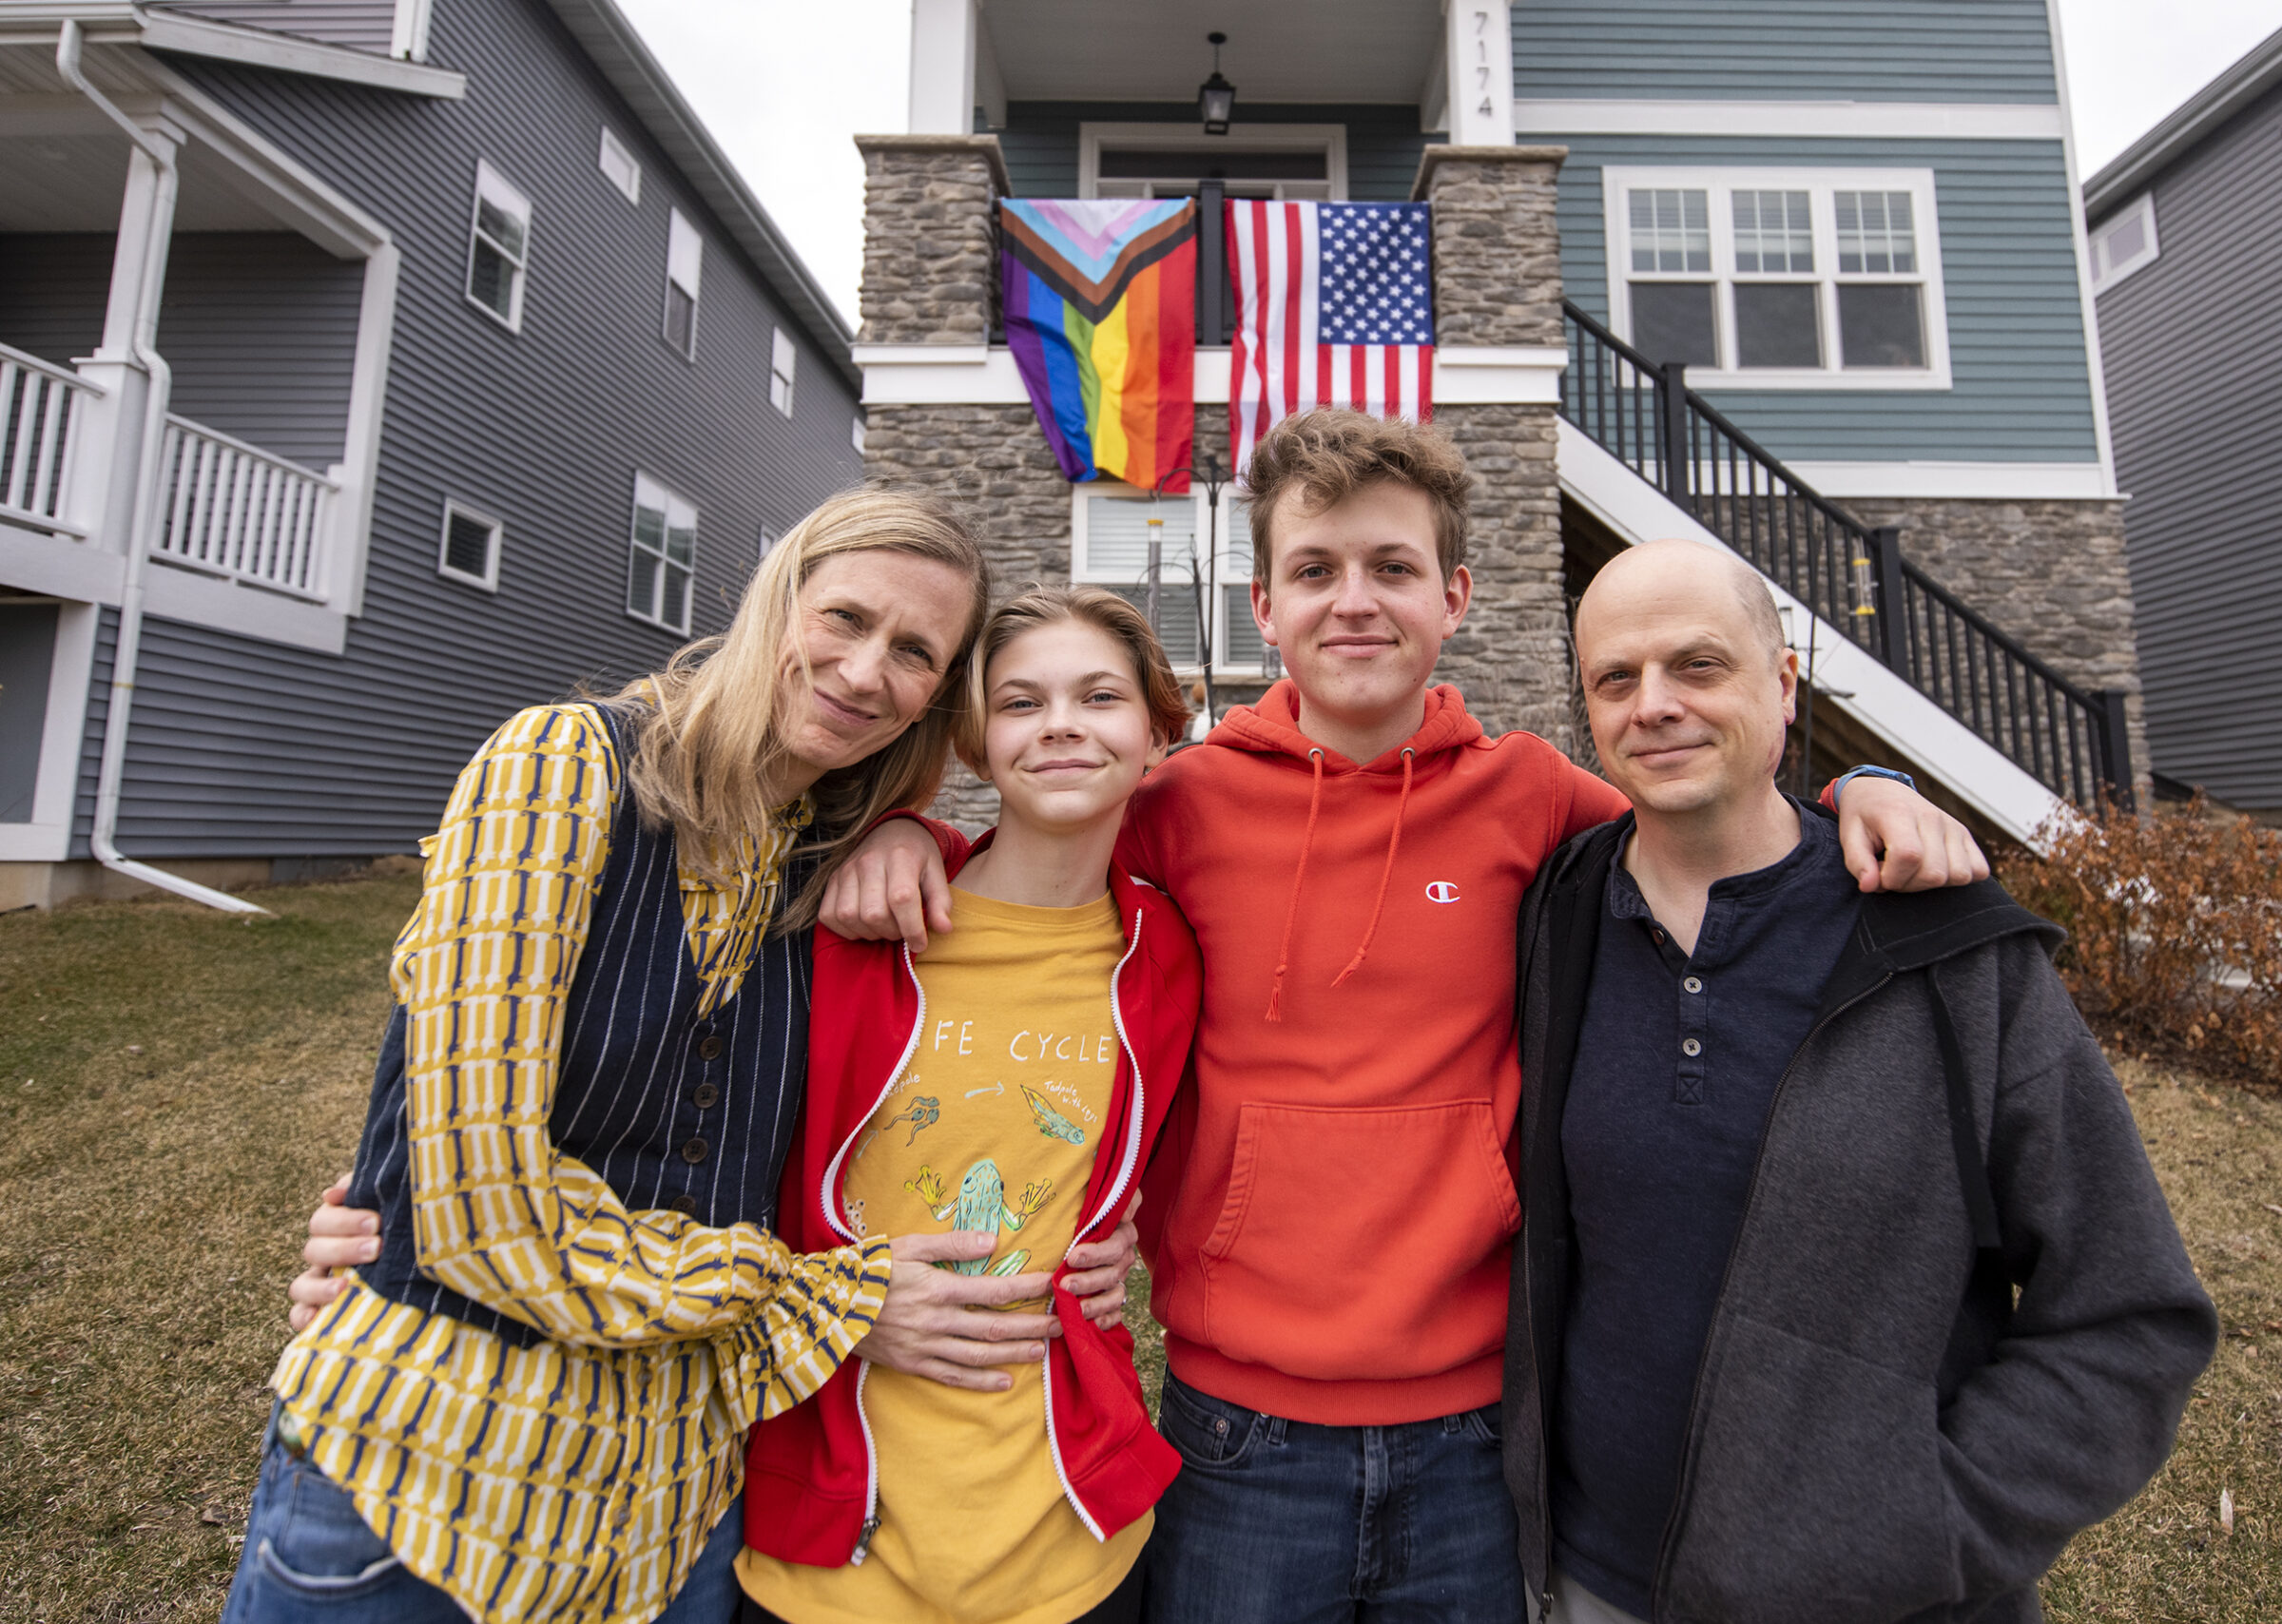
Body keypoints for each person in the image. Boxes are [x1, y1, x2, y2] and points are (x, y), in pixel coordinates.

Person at [820, 411, 1993, 1624]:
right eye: (1314, 571)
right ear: (1265, 607)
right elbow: (1039, 845)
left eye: (1392, 568)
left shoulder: (1531, 793)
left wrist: (1865, 786)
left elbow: (1699, 811)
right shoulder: (1182, 804)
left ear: (1456, 594)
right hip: (1238, 1424)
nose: (1355, 602)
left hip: (1472, 1427)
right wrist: (915, 830)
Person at [234, 492, 1127, 1624]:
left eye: (914, 653)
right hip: (434, 1482)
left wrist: (914, 829)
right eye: (844, 617)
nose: (863, 671)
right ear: (775, 601)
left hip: (669, 1512)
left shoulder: (826, 870)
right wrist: (831, 1302)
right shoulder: (564, 767)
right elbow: (481, 1207)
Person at [1503, 538, 2218, 1624]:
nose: (1653, 705)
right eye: (1616, 677)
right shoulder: (1555, 916)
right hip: (1584, 1582)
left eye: (1697, 666)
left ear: (1783, 681)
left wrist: (1923, 1531)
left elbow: (2129, 1315)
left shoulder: (1947, 949)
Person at [732, 586, 1204, 1624]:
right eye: (1021, 702)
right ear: (975, 740)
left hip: (1070, 1537)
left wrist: (1121, 1227)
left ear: (1158, 728)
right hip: (834, 1534)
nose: (1064, 724)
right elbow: (697, 1147)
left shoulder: (1167, 954)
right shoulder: (851, 920)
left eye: (1099, 696)